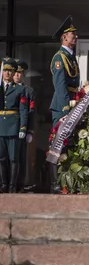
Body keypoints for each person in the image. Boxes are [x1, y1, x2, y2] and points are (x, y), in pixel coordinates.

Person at [49, 16, 80, 194]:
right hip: (63, 106)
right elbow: (60, 86)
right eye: (72, 34)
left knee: (69, 144)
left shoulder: (71, 58)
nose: (75, 37)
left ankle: (68, 182)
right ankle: (55, 183)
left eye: (75, 34)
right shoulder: (59, 58)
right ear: (64, 37)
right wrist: (66, 108)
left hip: (73, 103)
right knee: (57, 143)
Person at [0, 57, 29, 193]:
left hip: (13, 127)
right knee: (2, 157)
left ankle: (12, 186)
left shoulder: (19, 89)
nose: (7, 73)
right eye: (5, 70)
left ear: (13, 72)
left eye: (10, 70)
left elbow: (23, 110)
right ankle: (3, 184)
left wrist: (23, 127)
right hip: (1, 126)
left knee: (13, 158)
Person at [13, 59, 35, 193]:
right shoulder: (5, 89)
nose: (17, 75)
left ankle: (20, 185)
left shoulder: (28, 90)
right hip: (8, 127)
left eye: (20, 73)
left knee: (21, 158)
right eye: (15, 72)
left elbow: (31, 111)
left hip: (22, 128)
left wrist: (30, 130)